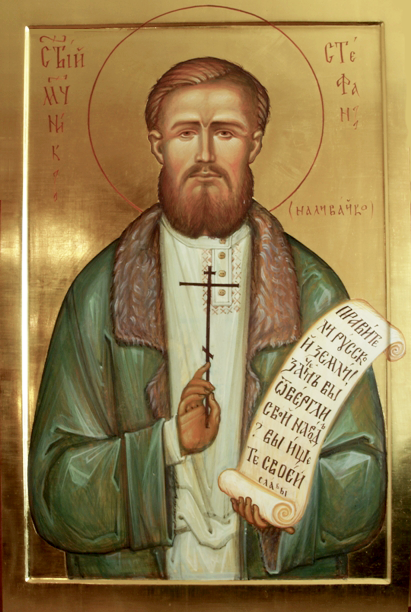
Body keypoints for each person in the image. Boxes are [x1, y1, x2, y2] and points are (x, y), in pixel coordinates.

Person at [29, 57, 386, 580]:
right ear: (158, 145)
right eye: (185, 133)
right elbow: (53, 492)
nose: (204, 155)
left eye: (224, 132)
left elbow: (366, 479)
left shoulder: (313, 291)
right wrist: (168, 443)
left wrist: (283, 500)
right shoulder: (98, 295)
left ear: (254, 144)